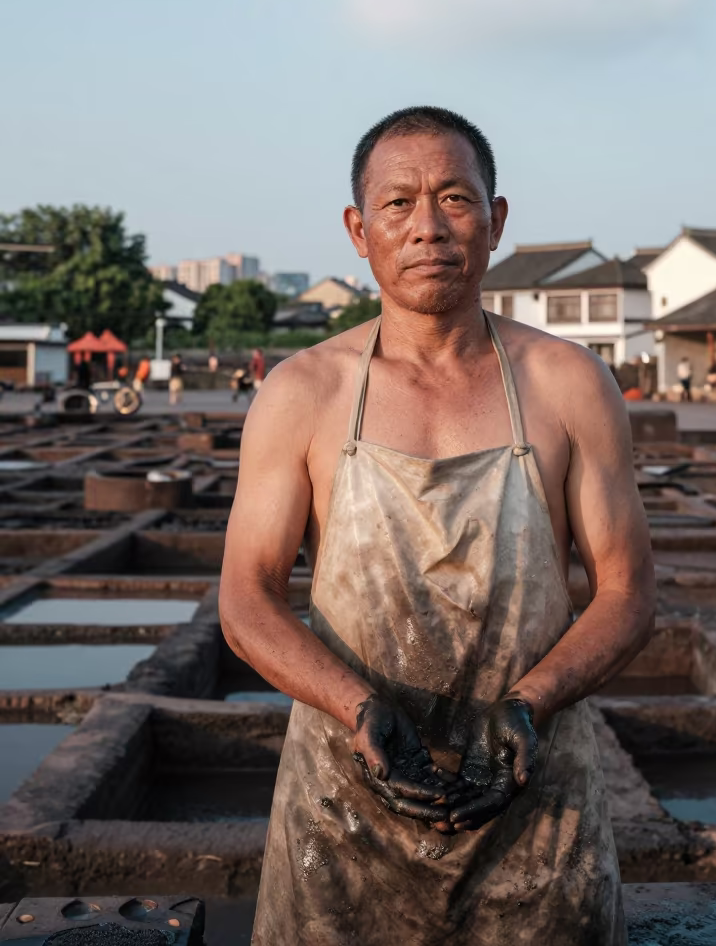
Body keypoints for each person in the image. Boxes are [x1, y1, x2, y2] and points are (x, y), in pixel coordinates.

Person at [220, 107, 654, 946]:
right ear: (358, 229)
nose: (428, 226)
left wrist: (530, 703)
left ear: (495, 222)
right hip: (343, 817)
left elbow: (628, 592)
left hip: (534, 807)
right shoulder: (301, 393)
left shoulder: (569, 384)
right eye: (398, 204)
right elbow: (247, 598)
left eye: (455, 199)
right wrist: (357, 709)